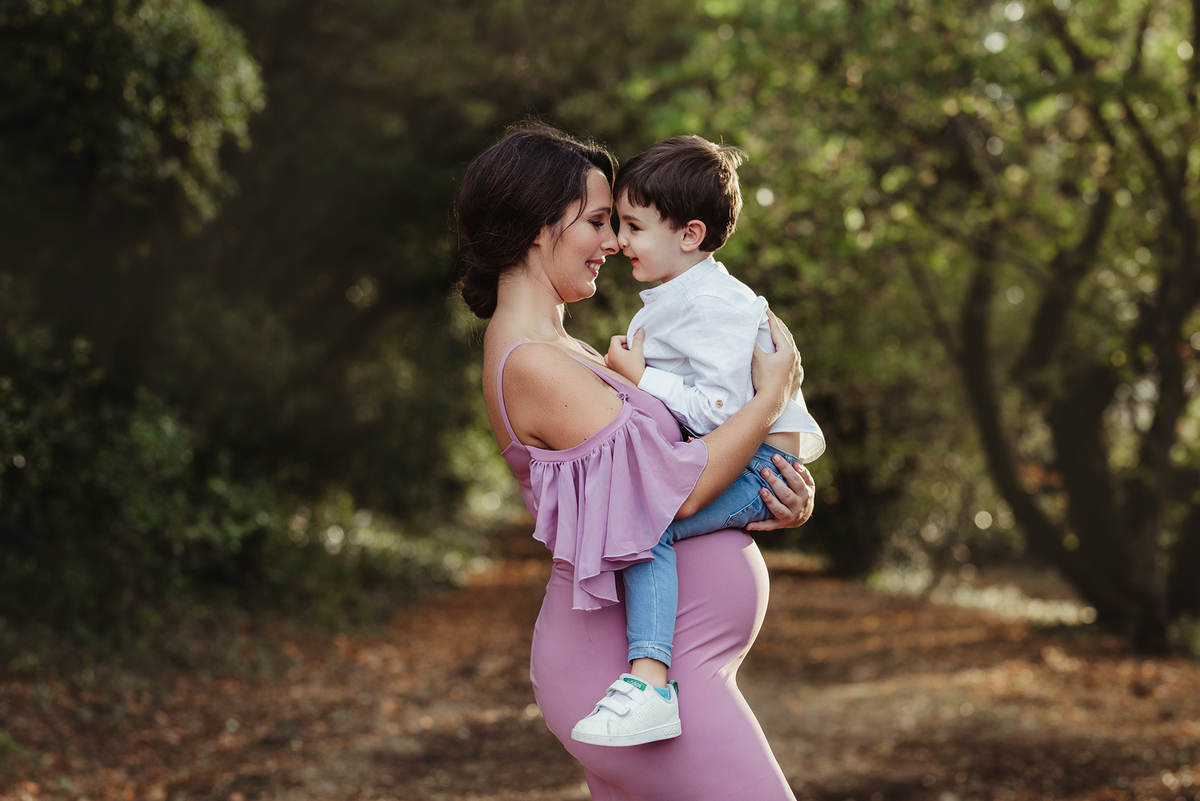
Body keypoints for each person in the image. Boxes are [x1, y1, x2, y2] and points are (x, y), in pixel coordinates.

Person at [454, 121, 813, 800]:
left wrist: (776, 489)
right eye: (597, 221)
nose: (615, 243)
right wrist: (768, 400)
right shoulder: (530, 363)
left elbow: (687, 458)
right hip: (622, 674)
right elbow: (671, 494)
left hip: (663, 669)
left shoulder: (567, 349)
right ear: (539, 224)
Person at [570, 135, 826, 746]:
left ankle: (651, 683)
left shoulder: (712, 304)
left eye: (633, 225)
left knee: (644, 523)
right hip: (753, 460)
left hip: (760, 465)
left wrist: (641, 376)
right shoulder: (682, 296)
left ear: (689, 234)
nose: (619, 241)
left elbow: (724, 412)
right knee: (644, 519)